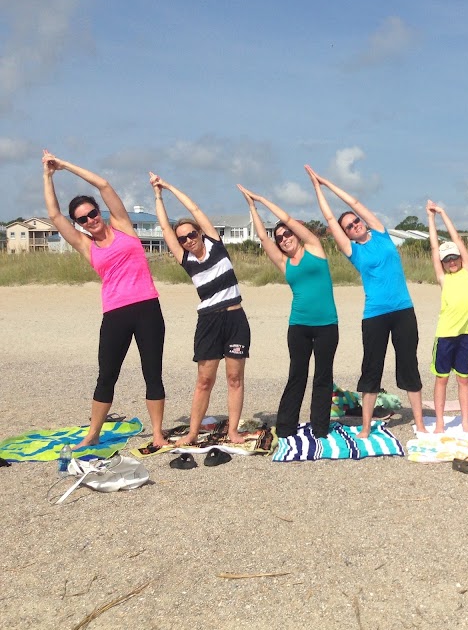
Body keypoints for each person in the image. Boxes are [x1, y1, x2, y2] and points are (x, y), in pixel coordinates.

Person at [42, 150, 168, 449]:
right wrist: (48, 175)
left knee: (152, 373)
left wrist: (64, 164)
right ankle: (93, 433)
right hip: (115, 314)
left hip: (147, 308)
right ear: (79, 224)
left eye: (92, 213)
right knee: (106, 375)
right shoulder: (86, 245)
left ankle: (158, 434)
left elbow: (103, 185)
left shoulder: (123, 225)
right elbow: (55, 215)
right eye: (82, 219)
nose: (90, 220)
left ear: (99, 211)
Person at [306, 165, 426, 438]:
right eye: (349, 226)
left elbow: (355, 203)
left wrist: (328, 182)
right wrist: (317, 188)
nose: (354, 225)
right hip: (375, 315)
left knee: (409, 365)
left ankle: (419, 422)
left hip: (403, 310)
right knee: (372, 368)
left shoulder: (381, 233)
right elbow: (330, 218)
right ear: (346, 234)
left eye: (356, 221)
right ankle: (365, 426)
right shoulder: (353, 251)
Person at [150, 173, 249, 445]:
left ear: (200, 233)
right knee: (204, 380)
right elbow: (165, 228)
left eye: (192, 234)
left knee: (234, 378)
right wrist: (158, 196)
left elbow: (194, 208)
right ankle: (192, 433)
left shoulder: (215, 244)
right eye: (183, 238)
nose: (188, 240)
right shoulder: (186, 259)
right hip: (208, 322)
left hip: (235, 319)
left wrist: (168, 186)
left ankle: (233, 431)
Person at [238, 185, 338, 439]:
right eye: (280, 238)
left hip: (327, 325)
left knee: (323, 377)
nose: (284, 239)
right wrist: (252, 207)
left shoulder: (314, 247)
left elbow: (289, 219)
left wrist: (262, 198)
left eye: (287, 234)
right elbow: (263, 239)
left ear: (296, 234)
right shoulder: (284, 263)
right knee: (297, 375)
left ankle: (320, 428)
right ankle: (285, 427)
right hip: (299, 326)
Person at [425, 200, 468, 433]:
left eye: (454, 257)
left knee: (463, 379)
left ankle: (466, 421)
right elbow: (434, 248)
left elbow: (457, 239)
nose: (451, 262)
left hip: (467, 334)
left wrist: (443, 212)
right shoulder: (443, 278)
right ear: (443, 263)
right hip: (446, 336)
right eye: (447, 260)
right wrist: (431, 218)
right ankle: (440, 422)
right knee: (442, 379)